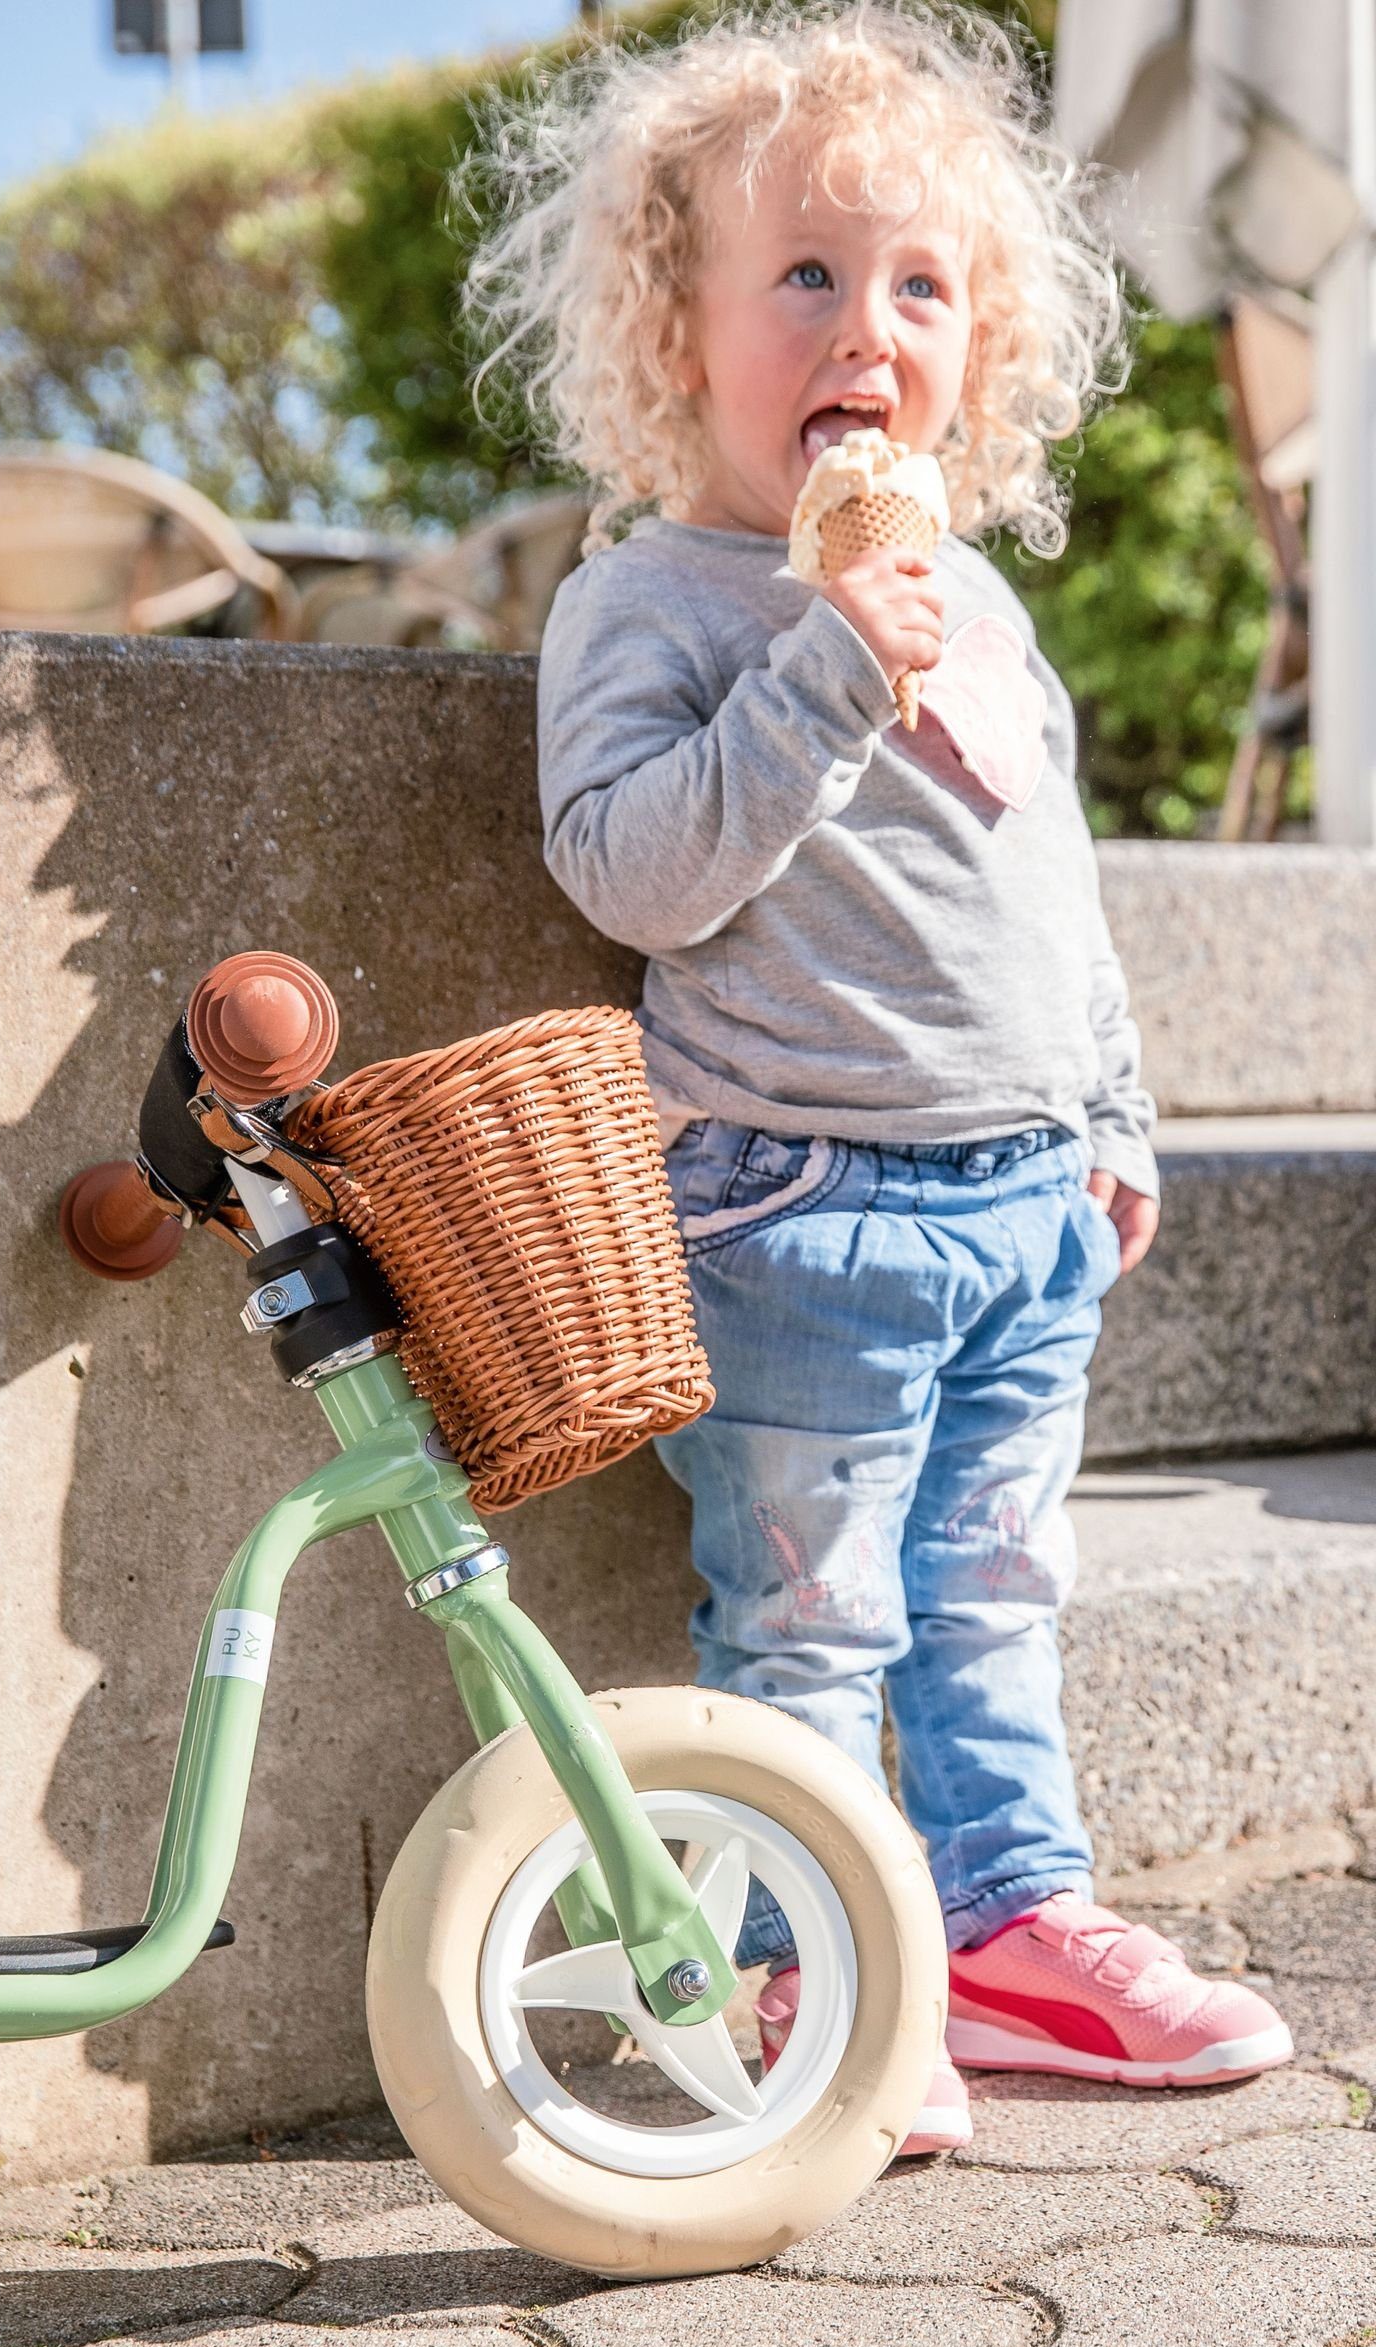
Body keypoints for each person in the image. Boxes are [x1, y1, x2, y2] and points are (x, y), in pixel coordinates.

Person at [458, 0, 1292, 2153]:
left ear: (978, 345)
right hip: (791, 1206)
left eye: (919, 285)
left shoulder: (987, 611)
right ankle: (806, 1968)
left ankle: (1012, 1923)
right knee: (808, 1621)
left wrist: (1106, 1118)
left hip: (1022, 1203)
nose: (866, 327)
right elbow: (633, 871)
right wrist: (830, 662)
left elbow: (1054, 902)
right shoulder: (652, 599)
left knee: (996, 1592)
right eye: (803, 278)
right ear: (677, 335)